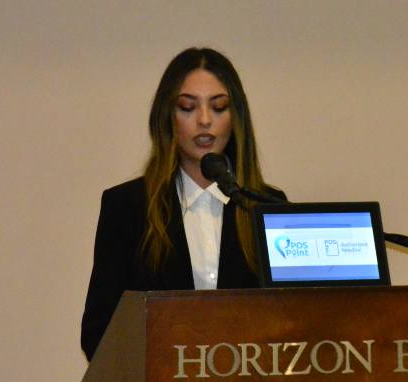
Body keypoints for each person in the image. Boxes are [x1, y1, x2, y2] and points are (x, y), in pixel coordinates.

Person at [80, 47, 285, 361]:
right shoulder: (127, 207)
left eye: (218, 107)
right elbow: (99, 332)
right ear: (168, 117)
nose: (204, 120)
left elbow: (289, 325)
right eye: (188, 107)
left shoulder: (266, 206)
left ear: (236, 118)